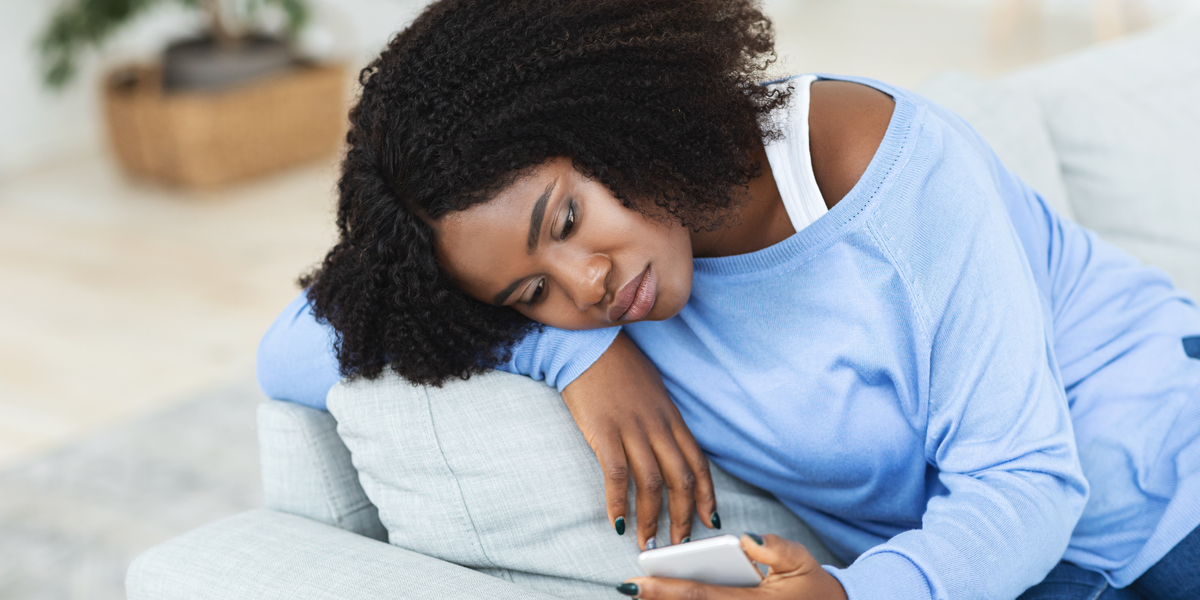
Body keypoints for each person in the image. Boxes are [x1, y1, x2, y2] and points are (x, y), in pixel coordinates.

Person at [255, 0, 1200, 598]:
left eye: (569, 217)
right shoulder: (591, 314)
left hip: (1161, 476)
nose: (588, 282)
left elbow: (1024, 479)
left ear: (615, 114)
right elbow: (293, 349)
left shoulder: (878, 169)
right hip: (1007, 564)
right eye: (530, 289)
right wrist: (574, 354)